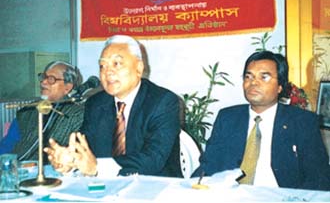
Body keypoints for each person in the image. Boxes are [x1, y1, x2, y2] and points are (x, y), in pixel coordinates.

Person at [44, 35, 182, 178]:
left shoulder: (162, 101)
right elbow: (84, 148)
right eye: (102, 66)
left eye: (117, 64)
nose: (108, 72)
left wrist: (97, 167)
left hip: (155, 188)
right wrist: (70, 160)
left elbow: (153, 159)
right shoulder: (95, 104)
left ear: (139, 68)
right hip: (107, 189)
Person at [192, 51, 330, 191]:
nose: (253, 82)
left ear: (280, 87)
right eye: (248, 76)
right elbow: (208, 165)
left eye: (264, 77)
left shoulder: (302, 121)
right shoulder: (227, 118)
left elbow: (318, 177)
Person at [0, 61, 85, 162]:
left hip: (53, 170)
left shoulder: (78, 114)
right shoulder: (28, 110)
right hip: (17, 168)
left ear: (67, 87)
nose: (43, 82)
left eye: (51, 79)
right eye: (43, 77)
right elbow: (8, 143)